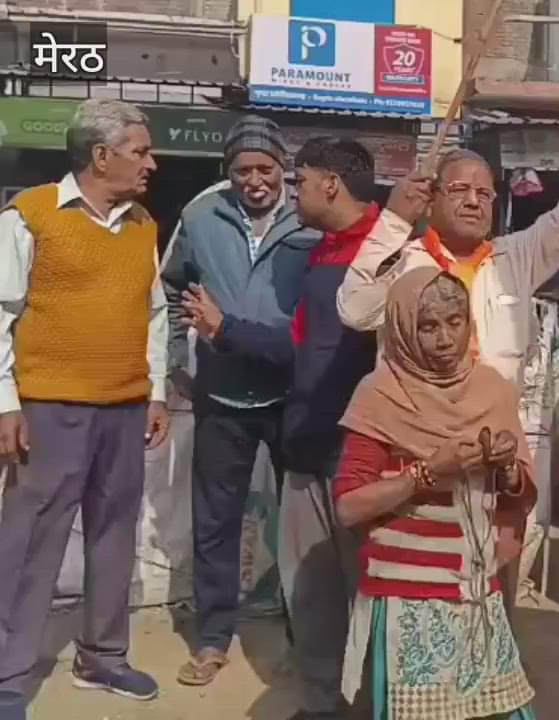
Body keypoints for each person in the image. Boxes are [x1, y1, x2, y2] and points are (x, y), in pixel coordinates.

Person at [337, 69, 559, 593]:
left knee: (500, 578)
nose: (475, 200)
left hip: (499, 449)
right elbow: (353, 309)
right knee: (416, 574)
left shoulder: (515, 257)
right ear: (431, 200)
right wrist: (390, 222)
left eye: (486, 192)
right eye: (459, 190)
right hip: (417, 449)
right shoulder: (405, 261)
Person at [181, 137, 385, 719]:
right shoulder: (215, 221)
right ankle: (319, 701)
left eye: (288, 175)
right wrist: (208, 339)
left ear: (329, 184)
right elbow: (301, 344)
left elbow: (317, 355)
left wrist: (228, 329)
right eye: (242, 169)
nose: (273, 185)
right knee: (310, 588)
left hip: (351, 451)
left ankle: (371, 702)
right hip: (293, 435)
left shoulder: (383, 252)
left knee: (361, 589)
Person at [0, 99, 169, 718]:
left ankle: (103, 656)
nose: (152, 163)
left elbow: (154, 315)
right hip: (49, 408)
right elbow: (1, 312)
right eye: (141, 150)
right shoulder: (30, 216)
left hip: (123, 409)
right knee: (30, 539)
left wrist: (154, 392)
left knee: (114, 533)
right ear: (102, 156)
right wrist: (5, 404)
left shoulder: (143, 224)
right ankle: (7, 678)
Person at [332, 266, 538, 719]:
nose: (445, 339)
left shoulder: (492, 390)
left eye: (455, 321)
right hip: (407, 600)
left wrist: (506, 468)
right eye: (428, 327)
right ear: (404, 330)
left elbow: (519, 494)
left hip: (477, 598)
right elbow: (348, 506)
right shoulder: (380, 395)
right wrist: (425, 473)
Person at [164, 115, 322, 689]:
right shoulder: (200, 217)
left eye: (265, 169)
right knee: (216, 522)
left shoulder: (309, 221)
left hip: (290, 394)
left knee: (303, 522)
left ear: (283, 168)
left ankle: (306, 634)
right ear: (227, 172)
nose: (254, 181)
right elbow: (172, 287)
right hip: (222, 395)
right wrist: (178, 362)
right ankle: (211, 637)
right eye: (242, 171)